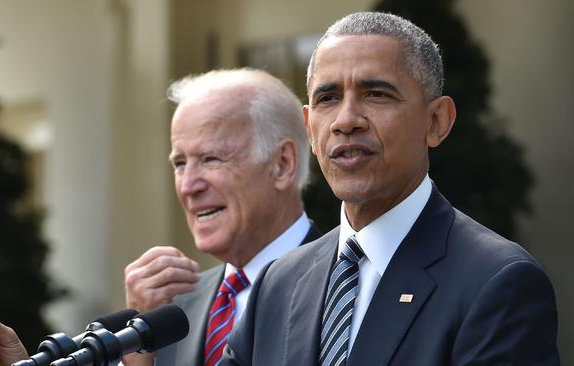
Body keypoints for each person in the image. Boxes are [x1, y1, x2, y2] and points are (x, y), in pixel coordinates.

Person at [222, 12, 560, 366]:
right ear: (308, 129)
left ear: (436, 121)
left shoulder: (497, 283)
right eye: (328, 98)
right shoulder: (277, 285)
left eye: (376, 94)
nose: (346, 120)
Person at [0, 68, 321, 366]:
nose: (188, 186)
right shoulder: (170, 309)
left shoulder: (345, 286)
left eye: (211, 159)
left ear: (282, 164)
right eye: (179, 163)